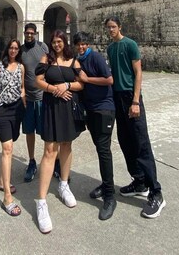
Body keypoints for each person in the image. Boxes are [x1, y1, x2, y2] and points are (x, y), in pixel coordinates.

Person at [105, 15, 166, 218]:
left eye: (113, 27)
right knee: (125, 141)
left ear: (120, 27)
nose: (111, 30)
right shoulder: (111, 48)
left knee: (141, 144)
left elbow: (138, 72)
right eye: (108, 28)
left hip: (131, 97)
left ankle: (156, 192)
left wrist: (135, 101)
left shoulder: (130, 44)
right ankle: (139, 181)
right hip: (117, 97)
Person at [34, 30, 85, 233]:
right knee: (49, 150)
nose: (56, 44)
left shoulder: (73, 60)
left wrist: (66, 85)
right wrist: (53, 89)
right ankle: (41, 201)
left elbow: (82, 83)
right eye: (54, 42)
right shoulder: (46, 58)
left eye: (59, 41)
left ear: (65, 42)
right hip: (51, 107)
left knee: (67, 145)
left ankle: (64, 184)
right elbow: (37, 80)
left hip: (68, 109)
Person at [73, 31, 117, 220]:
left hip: (104, 110)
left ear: (88, 44)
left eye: (84, 44)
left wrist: (87, 79)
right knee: (100, 149)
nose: (81, 47)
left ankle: (110, 196)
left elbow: (109, 80)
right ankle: (106, 185)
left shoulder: (96, 57)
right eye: (78, 44)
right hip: (90, 110)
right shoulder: (78, 60)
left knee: (104, 150)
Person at [0, 38, 25, 217]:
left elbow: (22, 87)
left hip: (16, 110)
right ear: (7, 49)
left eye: (16, 48)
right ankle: (7, 197)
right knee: (7, 148)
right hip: (1, 111)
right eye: (11, 48)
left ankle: (1, 181)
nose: (13, 51)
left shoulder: (21, 67)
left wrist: (23, 100)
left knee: (11, 144)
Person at [20, 23, 49, 182]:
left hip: (43, 97)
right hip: (28, 99)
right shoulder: (21, 51)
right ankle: (31, 161)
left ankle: (52, 161)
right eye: (27, 33)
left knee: (46, 132)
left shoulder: (43, 47)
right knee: (29, 131)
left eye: (32, 33)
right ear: (24, 33)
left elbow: (50, 66)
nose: (29, 35)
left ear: (36, 33)